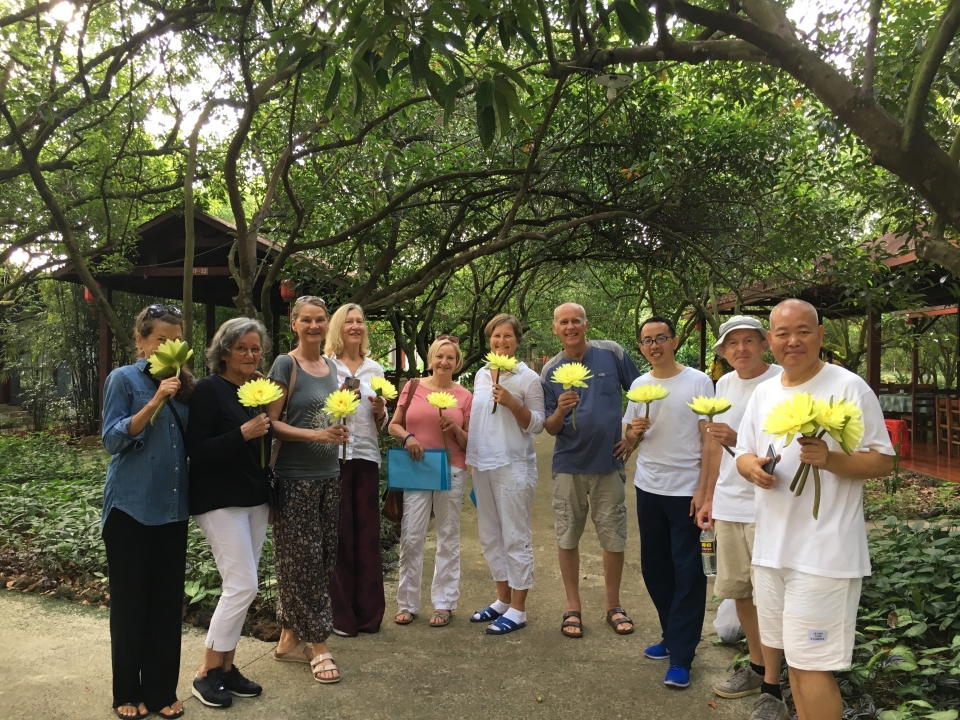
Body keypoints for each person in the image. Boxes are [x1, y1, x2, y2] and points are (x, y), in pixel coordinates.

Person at [736, 299, 894, 720]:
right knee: (793, 664)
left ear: (820, 335)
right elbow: (744, 451)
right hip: (772, 552)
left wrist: (833, 459)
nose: (793, 341)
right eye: (783, 333)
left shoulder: (848, 387)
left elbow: (882, 460)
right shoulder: (764, 392)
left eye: (803, 331)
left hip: (823, 556)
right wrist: (751, 467)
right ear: (770, 340)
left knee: (811, 666)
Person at [100, 305, 193, 720]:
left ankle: (160, 691)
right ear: (141, 341)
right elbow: (112, 439)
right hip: (130, 510)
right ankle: (126, 691)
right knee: (130, 605)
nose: (168, 347)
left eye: (175, 340)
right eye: (160, 339)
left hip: (172, 510)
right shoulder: (124, 379)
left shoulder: (189, 386)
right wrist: (156, 398)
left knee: (166, 605)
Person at [693, 316, 783, 709]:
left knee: (771, 595)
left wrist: (739, 442)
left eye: (749, 341)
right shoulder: (724, 385)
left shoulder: (782, 380)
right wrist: (706, 495)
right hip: (729, 504)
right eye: (732, 344)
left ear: (764, 343)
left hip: (769, 504)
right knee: (741, 592)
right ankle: (758, 668)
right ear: (723, 352)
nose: (741, 350)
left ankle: (775, 685)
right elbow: (713, 447)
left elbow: (784, 445)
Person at [623, 315, 714, 689]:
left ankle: (682, 656)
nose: (654, 345)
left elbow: (709, 440)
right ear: (641, 347)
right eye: (647, 340)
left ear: (675, 341)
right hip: (649, 488)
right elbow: (628, 439)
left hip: (686, 492)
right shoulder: (640, 385)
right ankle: (670, 635)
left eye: (661, 338)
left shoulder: (696, 381)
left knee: (687, 572)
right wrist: (634, 433)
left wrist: (705, 491)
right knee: (655, 568)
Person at [185, 318, 273, 708]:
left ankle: (227, 667)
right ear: (223, 352)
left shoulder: (255, 391)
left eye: (256, 349)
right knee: (243, 585)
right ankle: (205, 671)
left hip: (254, 499)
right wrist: (243, 434)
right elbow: (197, 449)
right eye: (242, 349)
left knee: (241, 587)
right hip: (218, 500)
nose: (250, 355)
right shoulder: (208, 390)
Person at [541, 303, 640, 640]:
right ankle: (573, 606)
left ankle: (613, 604)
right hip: (568, 465)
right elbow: (550, 428)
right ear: (555, 329)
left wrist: (632, 437)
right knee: (567, 536)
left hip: (609, 464)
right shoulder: (550, 371)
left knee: (613, 537)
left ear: (586, 324)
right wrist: (560, 411)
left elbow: (641, 393)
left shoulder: (611, 353)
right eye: (563, 322)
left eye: (576, 321)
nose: (570, 327)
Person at [265, 296, 350, 684]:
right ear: (294, 324)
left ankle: (288, 639)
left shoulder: (334, 367)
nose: (314, 326)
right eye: (307, 321)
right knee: (303, 560)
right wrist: (318, 433)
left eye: (320, 320)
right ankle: (318, 643)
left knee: (323, 557)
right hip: (293, 477)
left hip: (328, 476)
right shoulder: (286, 364)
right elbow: (271, 422)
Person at [465, 314, 545, 635]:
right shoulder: (482, 375)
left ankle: (519, 609)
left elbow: (537, 423)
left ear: (517, 340)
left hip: (514, 466)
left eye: (507, 336)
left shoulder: (528, 378)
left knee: (515, 536)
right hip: (483, 465)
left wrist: (513, 403)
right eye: (496, 337)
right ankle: (502, 600)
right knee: (490, 535)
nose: (501, 342)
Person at [388, 336, 472, 627]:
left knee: (448, 536)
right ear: (431, 359)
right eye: (439, 356)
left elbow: (471, 441)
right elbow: (393, 425)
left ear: (457, 362)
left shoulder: (464, 396)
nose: (444, 362)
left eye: (450, 357)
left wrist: (456, 429)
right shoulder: (412, 388)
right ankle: (407, 602)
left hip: (452, 469)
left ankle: (444, 603)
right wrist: (408, 437)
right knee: (412, 535)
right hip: (418, 467)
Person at [325, 303, 388, 637]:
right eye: (348, 321)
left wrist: (381, 410)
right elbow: (316, 413)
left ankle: (369, 615)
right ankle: (342, 616)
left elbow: (383, 421)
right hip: (333, 456)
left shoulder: (375, 368)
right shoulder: (325, 366)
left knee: (366, 536)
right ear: (338, 327)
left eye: (360, 321)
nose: (355, 326)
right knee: (339, 535)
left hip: (365, 455)